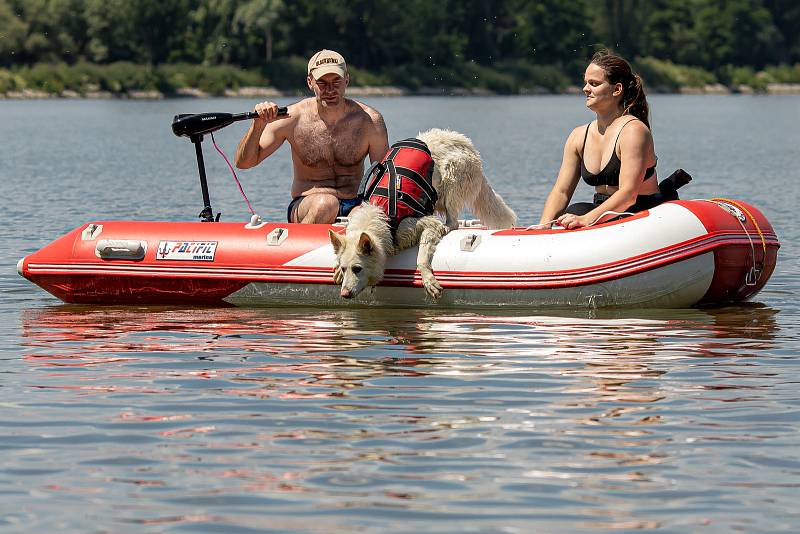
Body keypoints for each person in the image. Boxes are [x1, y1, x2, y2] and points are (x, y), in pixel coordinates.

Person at [234, 49, 390, 223]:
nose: (330, 89)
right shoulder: (292, 118)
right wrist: (258, 124)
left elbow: (383, 179)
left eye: (336, 81)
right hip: (306, 205)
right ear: (310, 82)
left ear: (347, 79)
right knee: (326, 204)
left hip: (353, 203)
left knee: (370, 217)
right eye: (322, 82)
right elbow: (244, 163)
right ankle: (297, 247)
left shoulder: (369, 120)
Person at [537, 50, 664, 230]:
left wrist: (586, 220)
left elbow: (628, 195)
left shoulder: (634, 132)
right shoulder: (578, 136)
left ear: (617, 89)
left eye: (594, 83)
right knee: (573, 212)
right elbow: (561, 191)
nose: (585, 89)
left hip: (640, 212)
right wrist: (543, 226)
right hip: (602, 209)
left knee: (580, 217)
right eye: (586, 83)